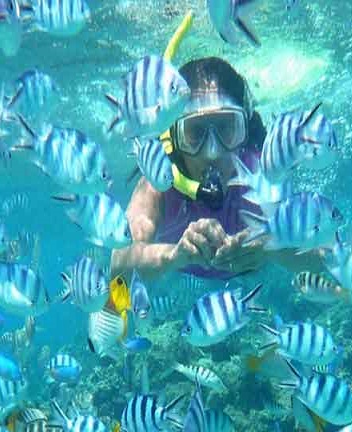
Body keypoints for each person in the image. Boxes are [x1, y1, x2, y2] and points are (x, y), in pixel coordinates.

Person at [110, 56, 322, 281]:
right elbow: (118, 262)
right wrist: (174, 255)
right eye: (195, 132)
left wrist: (271, 244)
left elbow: (328, 254)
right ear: (173, 136)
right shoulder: (159, 183)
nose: (212, 152)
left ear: (244, 130)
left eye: (226, 128)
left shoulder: (266, 177)